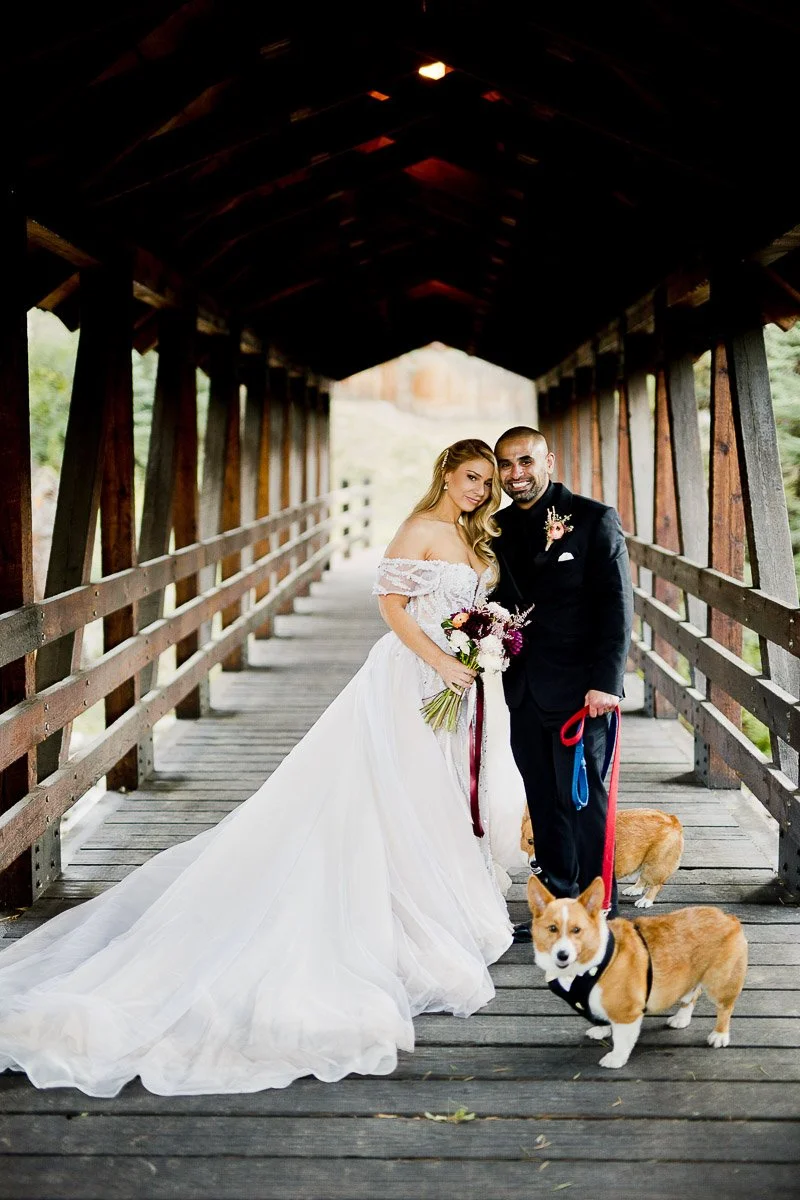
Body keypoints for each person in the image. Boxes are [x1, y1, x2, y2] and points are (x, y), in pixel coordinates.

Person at [0, 439, 517, 1098]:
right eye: (471, 477)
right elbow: (391, 606)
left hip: (456, 681)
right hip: (410, 677)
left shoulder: (476, 535)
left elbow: (470, 610)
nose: (479, 490)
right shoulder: (419, 527)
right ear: (446, 471)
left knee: (434, 792)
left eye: (488, 482)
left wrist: (480, 646)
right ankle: (395, 898)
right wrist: (443, 660)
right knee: (394, 788)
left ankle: (430, 887)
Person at [491, 427, 633, 936]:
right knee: (543, 797)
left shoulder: (594, 519)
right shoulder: (496, 527)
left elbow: (617, 608)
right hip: (523, 689)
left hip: (581, 691)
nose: (515, 474)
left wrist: (606, 682)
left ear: (548, 459)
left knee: (583, 799)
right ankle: (557, 902)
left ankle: (594, 907)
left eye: (525, 461)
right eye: (505, 465)